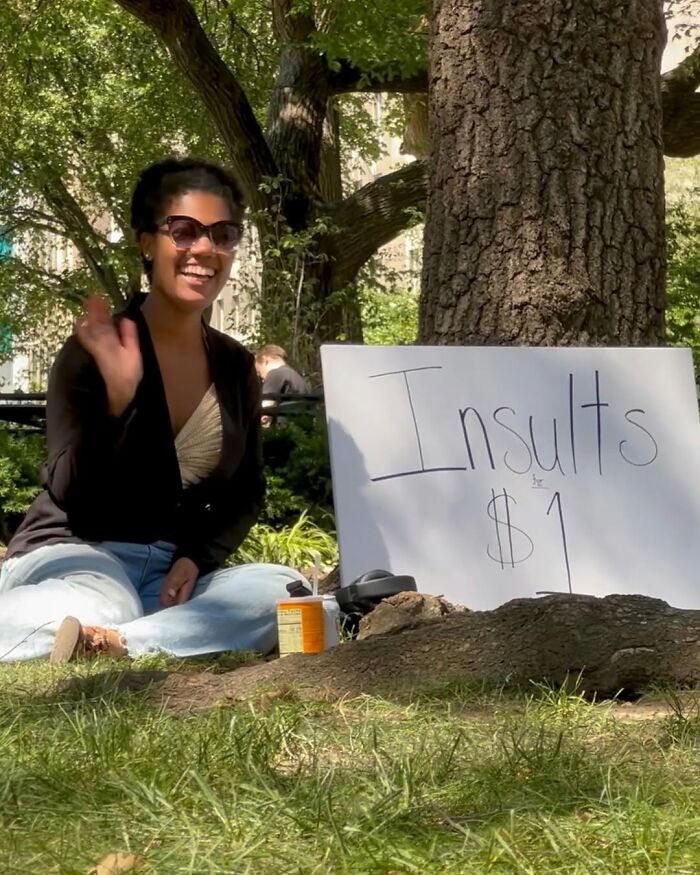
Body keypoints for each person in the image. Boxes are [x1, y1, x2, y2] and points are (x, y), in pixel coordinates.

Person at [0, 157, 307, 663]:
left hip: (167, 578)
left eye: (223, 234)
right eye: (185, 230)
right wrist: (117, 406)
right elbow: (72, 493)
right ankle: (138, 631)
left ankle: (115, 642)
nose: (205, 249)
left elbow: (246, 491)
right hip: (75, 556)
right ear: (147, 242)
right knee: (111, 599)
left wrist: (195, 556)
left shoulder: (233, 366)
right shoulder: (93, 350)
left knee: (286, 587)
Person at [254, 345, 309, 426]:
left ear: (265, 360)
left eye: (259, 372)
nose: (261, 378)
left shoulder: (275, 373)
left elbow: (265, 409)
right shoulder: (296, 376)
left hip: (285, 429)